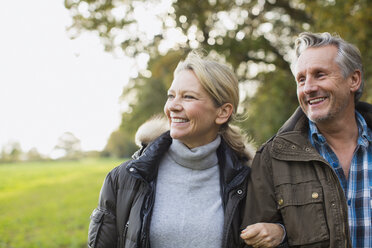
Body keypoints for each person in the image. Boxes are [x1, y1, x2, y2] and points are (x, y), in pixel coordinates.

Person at [88, 52, 284, 248]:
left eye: (188, 97)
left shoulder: (249, 182)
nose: (173, 106)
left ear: (223, 112)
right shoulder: (124, 179)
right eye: (171, 96)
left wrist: (280, 234)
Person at [241, 31, 372, 247]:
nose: (308, 88)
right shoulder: (272, 158)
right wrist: (282, 235)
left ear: (354, 80)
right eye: (301, 79)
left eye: (320, 75)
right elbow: (251, 241)